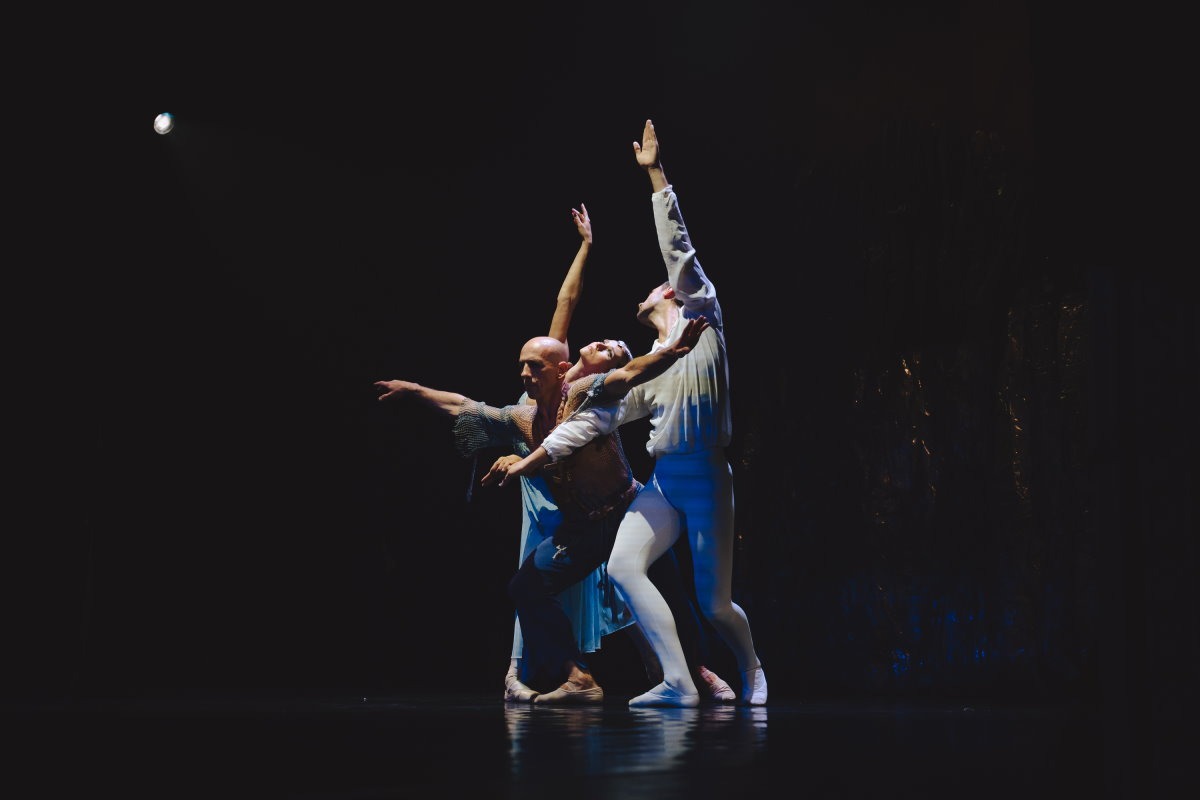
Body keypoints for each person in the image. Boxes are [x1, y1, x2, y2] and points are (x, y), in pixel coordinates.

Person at [510, 120, 768, 705]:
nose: (653, 288)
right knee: (625, 567)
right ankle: (677, 682)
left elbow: (679, 248)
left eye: (660, 286)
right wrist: (535, 458)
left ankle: (751, 666)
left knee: (714, 604)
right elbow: (595, 420)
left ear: (672, 294)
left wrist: (655, 174)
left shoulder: (704, 319)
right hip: (664, 479)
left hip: (706, 474)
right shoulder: (650, 364)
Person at [375, 304, 712, 704]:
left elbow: (627, 375)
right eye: (522, 366)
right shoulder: (523, 419)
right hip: (584, 528)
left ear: (560, 370)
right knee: (527, 587)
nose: (525, 374)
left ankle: (700, 673)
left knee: (670, 589)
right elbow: (464, 406)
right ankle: (577, 677)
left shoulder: (584, 393)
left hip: (628, 512)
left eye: (535, 367)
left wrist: (672, 352)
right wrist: (415, 391)